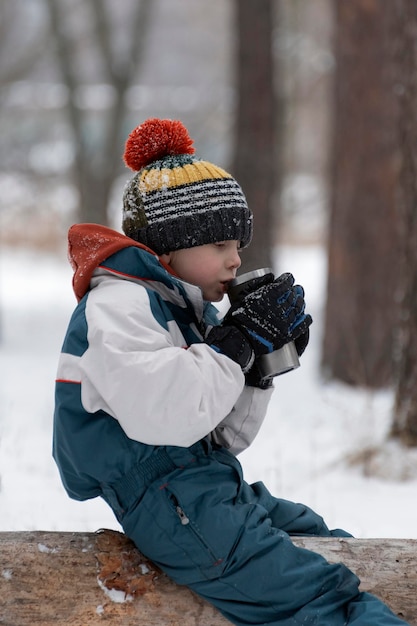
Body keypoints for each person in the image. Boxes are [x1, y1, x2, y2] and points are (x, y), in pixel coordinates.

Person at [53, 117, 408, 625]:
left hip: (198, 481)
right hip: (164, 500)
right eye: (220, 246)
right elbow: (167, 416)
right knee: (318, 597)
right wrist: (235, 345)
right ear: (170, 248)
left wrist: (258, 365)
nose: (236, 260)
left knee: (316, 536)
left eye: (237, 246)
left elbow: (217, 433)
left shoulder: (183, 307)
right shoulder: (121, 305)